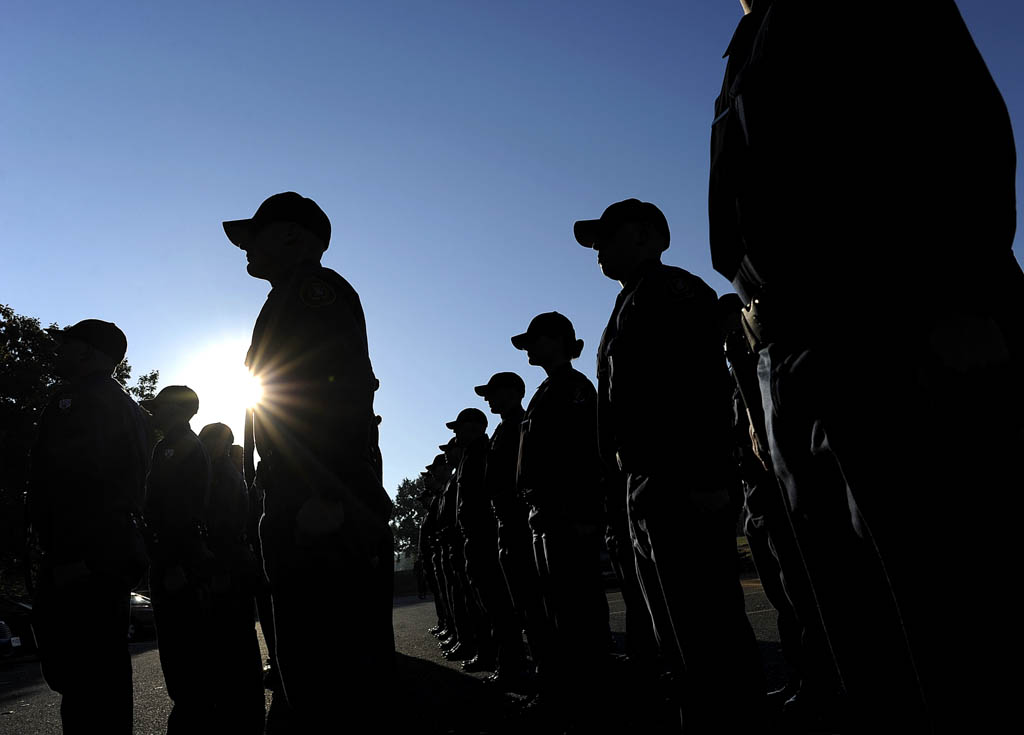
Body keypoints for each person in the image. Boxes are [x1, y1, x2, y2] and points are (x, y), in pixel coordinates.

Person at [710, 2, 1024, 730]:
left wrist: (964, 300)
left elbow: (966, 122)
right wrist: (765, 393)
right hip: (793, 354)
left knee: (954, 618)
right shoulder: (749, 44)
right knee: (860, 630)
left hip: (892, 328)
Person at [574, 199, 764, 731]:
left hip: (682, 483)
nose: (598, 252)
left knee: (708, 630)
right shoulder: (629, 303)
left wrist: (706, 476)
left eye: (608, 238)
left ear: (650, 237)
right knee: (675, 637)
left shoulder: (671, 292)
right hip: (646, 488)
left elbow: (702, 390)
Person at [223, 192, 394, 731]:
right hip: (297, 493)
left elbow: (333, 395)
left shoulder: (314, 293)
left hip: (319, 497)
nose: (246, 247)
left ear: (295, 237)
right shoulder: (286, 298)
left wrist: (324, 493)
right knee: (309, 660)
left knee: (334, 668)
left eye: (258, 234)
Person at [27, 319, 149, 734]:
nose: (59, 350)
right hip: (104, 555)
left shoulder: (79, 400)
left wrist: (72, 556)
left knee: (82, 680)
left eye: (68, 343)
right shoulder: (124, 404)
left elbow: (77, 480)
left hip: (82, 558)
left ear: (90, 352)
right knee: (101, 676)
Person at [511, 312, 610, 727]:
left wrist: (586, 514)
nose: (529, 349)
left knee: (579, 610)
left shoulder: (573, 390)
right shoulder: (548, 390)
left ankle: (593, 699)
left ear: (556, 341)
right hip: (548, 516)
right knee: (560, 610)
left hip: (569, 515)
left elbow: (585, 457)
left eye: (535, 340)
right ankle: (572, 694)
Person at [141, 385, 215, 733]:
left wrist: (173, 563)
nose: (154, 413)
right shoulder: (175, 444)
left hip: (177, 554)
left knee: (181, 645)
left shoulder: (176, 446)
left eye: (160, 407)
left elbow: (177, 509)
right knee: (182, 644)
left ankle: (194, 715)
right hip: (177, 553)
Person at [476, 371, 551, 687]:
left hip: (519, 525)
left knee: (534, 609)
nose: (488, 398)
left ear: (510, 392)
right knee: (523, 607)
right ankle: (541, 675)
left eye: (492, 392)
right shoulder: (504, 429)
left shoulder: (520, 426)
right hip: (507, 524)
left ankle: (548, 678)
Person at [447, 407, 526, 678]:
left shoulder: (481, 451)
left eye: (459, 426)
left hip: (483, 537)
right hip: (474, 538)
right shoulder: (473, 453)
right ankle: (497, 657)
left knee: (497, 605)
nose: (456, 432)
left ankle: (509, 664)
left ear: (475, 426)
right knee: (485, 604)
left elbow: (485, 495)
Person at [198, 423, 265, 733]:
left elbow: (223, 522)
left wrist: (219, 568)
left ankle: (241, 706)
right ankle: (244, 702)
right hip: (235, 559)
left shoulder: (221, 474)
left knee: (232, 634)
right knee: (238, 634)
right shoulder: (227, 471)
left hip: (227, 561)